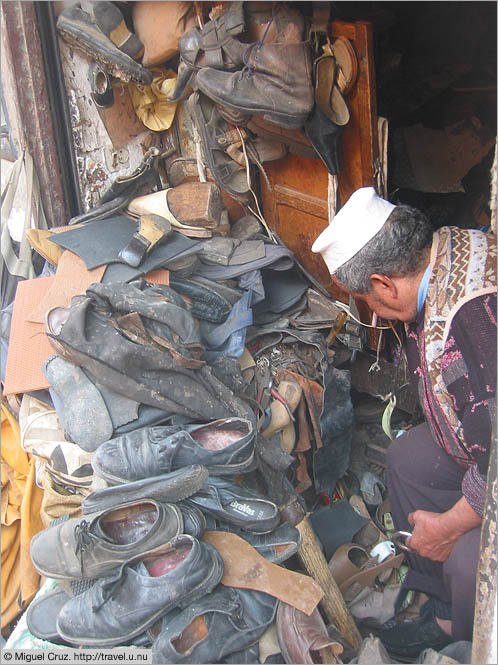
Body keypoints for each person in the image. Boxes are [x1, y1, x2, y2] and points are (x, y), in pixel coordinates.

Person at [312, 187, 497, 660]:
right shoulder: (449, 247)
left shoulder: (472, 321)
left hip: (493, 460)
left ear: (385, 282)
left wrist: (451, 526)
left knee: (465, 557)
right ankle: (438, 606)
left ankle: (462, 637)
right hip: (478, 444)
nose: (374, 313)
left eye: (368, 300)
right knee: (407, 459)